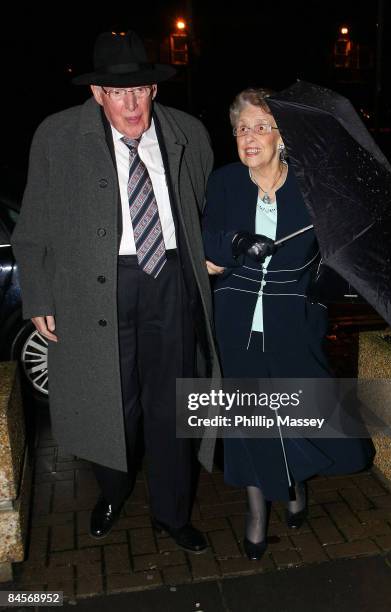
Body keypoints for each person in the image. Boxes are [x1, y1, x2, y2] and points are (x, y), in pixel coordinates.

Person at [12, 30, 220, 553]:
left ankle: (172, 513)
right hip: (94, 290)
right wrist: (38, 296)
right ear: (96, 93)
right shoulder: (57, 138)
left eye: (141, 89)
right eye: (116, 91)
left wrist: (215, 250)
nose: (131, 102)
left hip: (171, 281)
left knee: (173, 405)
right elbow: (33, 227)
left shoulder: (189, 133)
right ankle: (113, 489)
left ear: (154, 88)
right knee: (111, 404)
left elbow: (203, 209)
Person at [203, 88, 374, 560]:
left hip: (295, 322)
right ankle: (257, 513)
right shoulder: (223, 183)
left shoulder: (311, 189)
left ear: (282, 137)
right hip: (237, 324)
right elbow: (207, 248)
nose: (250, 136)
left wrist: (326, 278)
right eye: (242, 128)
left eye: (261, 127)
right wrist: (236, 243)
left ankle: (294, 481)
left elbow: (338, 254)